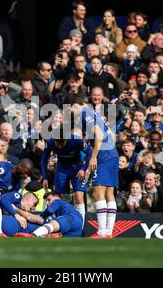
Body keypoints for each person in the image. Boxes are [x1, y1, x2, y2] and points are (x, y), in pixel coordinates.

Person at [66, 94, 119, 238]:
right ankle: (109, 231)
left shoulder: (85, 114)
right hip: (113, 154)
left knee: (97, 193)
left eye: (70, 109)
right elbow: (111, 135)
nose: (70, 112)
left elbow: (99, 135)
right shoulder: (92, 113)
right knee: (109, 194)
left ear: (74, 105)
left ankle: (101, 231)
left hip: (103, 156)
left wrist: (94, 157)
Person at [41, 127, 92, 226]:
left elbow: (90, 153)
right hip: (62, 169)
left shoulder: (76, 141)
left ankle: (80, 227)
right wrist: (45, 177)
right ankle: (64, 224)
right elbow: (44, 159)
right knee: (62, 198)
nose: (59, 146)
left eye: (62, 143)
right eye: (58, 143)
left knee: (78, 197)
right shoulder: (50, 142)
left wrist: (83, 169)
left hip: (77, 168)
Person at [14, 191, 83, 238]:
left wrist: (15, 208)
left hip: (72, 217)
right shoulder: (56, 212)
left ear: (56, 196)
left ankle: (33, 235)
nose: (47, 203)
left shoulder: (57, 201)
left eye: (49, 199)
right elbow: (33, 218)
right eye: (46, 201)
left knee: (53, 223)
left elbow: (40, 217)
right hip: (73, 229)